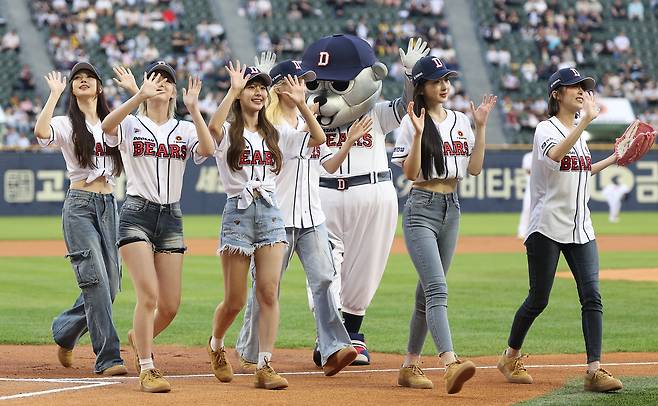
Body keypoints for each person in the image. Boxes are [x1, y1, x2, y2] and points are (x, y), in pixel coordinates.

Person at [235, 59, 374, 376]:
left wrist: (349, 142)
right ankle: (249, 351)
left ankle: (333, 350)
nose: (305, 84)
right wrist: (304, 107)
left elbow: (328, 164)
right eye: (297, 79)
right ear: (281, 86)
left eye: (305, 80)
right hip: (276, 219)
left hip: (312, 218)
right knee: (267, 288)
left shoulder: (305, 120)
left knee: (325, 279)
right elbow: (318, 137)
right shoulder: (269, 127)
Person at [497, 67, 623, 393]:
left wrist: (613, 158)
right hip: (547, 227)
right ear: (556, 94)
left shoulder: (580, 136)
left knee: (592, 296)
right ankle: (510, 356)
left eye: (584, 87)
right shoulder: (545, 129)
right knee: (538, 299)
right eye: (573, 87)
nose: (581, 91)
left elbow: (581, 171)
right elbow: (555, 157)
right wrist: (585, 122)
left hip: (582, 227)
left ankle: (594, 370)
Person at [204, 61, 325, 390]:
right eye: (251, 86)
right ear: (241, 93)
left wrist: (301, 102)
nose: (257, 92)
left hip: (272, 212)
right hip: (239, 212)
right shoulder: (229, 132)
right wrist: (231, 91)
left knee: (269, 292)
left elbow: (317, 137)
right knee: (235, 300)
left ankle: (265, 363)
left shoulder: (276, 133)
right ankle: (216, 344)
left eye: (262, 87)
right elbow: (211, 132)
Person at [101, 61, 214, 393]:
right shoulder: (132, 122)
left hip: (172, 216)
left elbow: (207, 149)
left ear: (175, 92)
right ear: (146, 85)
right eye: (156, 78)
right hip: (136, 213)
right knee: (148, 294)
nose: (161, 83)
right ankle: (147, 367)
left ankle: (139, 338)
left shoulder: (185, 128)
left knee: (170, 305)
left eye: (168, 80)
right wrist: (137, 96)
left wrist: (194, 109)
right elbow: (107, 126)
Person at [391, 56, 497, 394]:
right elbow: (409, 174)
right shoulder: (412, 122)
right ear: (421, 86)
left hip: (452, 208)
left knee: (426, 294)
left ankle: (409, 366)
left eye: (446, 79)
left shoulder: (462, 121)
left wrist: (480, 127)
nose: (444, 85)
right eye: (436, 80)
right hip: (421, 207)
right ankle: (450, 363)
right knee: (437, 289)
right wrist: (420, 134)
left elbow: (476, 168)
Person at [34, 62, 127, 376]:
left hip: (109, 204)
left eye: (90, 78)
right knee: (96, 281)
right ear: (72, 89)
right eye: (78, 79)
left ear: (100, 88)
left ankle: (65, 331)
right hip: (80, 205)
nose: (83, 81)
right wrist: (54, 94)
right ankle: (109, 357)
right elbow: (41, 133)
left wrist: (134, 92)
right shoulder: (65, 122)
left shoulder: (113, 122)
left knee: (111, 286)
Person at [517, 151, 533, 239]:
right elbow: (528, 170)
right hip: (530, 187)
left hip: (545, 187)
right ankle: (522, 232)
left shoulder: (547, 154)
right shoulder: (528, 156)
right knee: (527, 209)